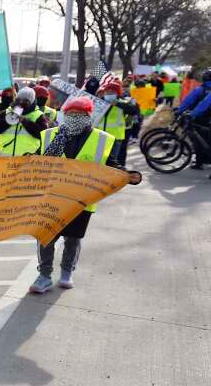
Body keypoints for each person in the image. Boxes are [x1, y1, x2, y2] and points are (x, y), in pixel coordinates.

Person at [31, 96, 140, 293]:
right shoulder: (52, 135)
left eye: (79, 115)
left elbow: (110, 165)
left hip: (81, 202)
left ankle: (66, 272)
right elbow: (37, 159)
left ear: (88, 116)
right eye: (70, 114)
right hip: (52, 198)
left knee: (72, 239)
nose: (74, 118)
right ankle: (44, 275)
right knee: (45, 236)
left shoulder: (101, 139)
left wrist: (127, 175)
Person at [177, 67, 211, 170]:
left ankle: (199, 162)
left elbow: (188, 101)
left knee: (198, 140)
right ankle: (210, 159)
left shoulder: (201, 89)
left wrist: (179, 111)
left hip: (200, 117)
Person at [0, 87, 49, 156]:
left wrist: (25, 122)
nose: (21, 103)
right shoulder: (7, 112)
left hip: (27, 160)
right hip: (5, 158)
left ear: (31, 102)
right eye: (18, 100)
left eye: (25, 101)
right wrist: (8, 120)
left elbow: (43, 135)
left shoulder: (38, 115)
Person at [97, 78, 139, 166]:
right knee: (99, 160)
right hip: (100, 136)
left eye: (112, 92)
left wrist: (118, 104)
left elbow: (133, 110)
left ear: (117, 93)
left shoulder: (123, 102)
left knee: (113, 161)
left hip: (115, 137)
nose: (109, 93)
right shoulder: (100, 102)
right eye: (107, 91)